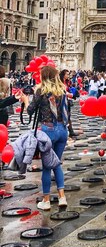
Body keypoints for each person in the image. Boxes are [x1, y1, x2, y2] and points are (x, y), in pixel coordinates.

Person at [22, 65, 69, 211]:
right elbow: (67, 112)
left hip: (48, 131)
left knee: (48, 167)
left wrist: (25, 100)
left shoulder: (41, 91)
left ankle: (46, 200)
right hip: (62, 130)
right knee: (57, 163)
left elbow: (30, 111)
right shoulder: (62, 90)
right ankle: (62, 197)